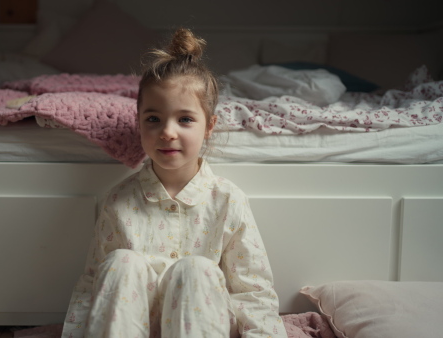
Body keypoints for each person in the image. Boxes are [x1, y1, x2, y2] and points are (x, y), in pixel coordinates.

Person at [61, 28, 286, 338]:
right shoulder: (119, 200)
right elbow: (92, 287)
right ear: (138, 121)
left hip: (203, 322)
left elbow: (252, 291)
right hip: (130, 325)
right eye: (153, 119)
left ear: (209, 126)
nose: (167, 132)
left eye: (185, 119)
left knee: (198, 268)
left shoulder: (228, 200)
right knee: (121, 262)